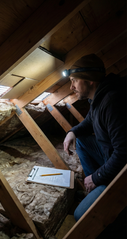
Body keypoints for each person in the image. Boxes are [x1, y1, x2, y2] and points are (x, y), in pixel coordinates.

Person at [62, 54, 126, 221]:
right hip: (109, 155)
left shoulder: (111, 101)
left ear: (90, 80)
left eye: (74, 80)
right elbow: (90, 121)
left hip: (121, 169)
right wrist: (72, 132)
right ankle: (95, 188)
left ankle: (101, 188)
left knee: (80, 216)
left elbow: (124, 153)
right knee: (81, 139)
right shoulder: (98, 98)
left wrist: (97, 177)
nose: (71, 87)